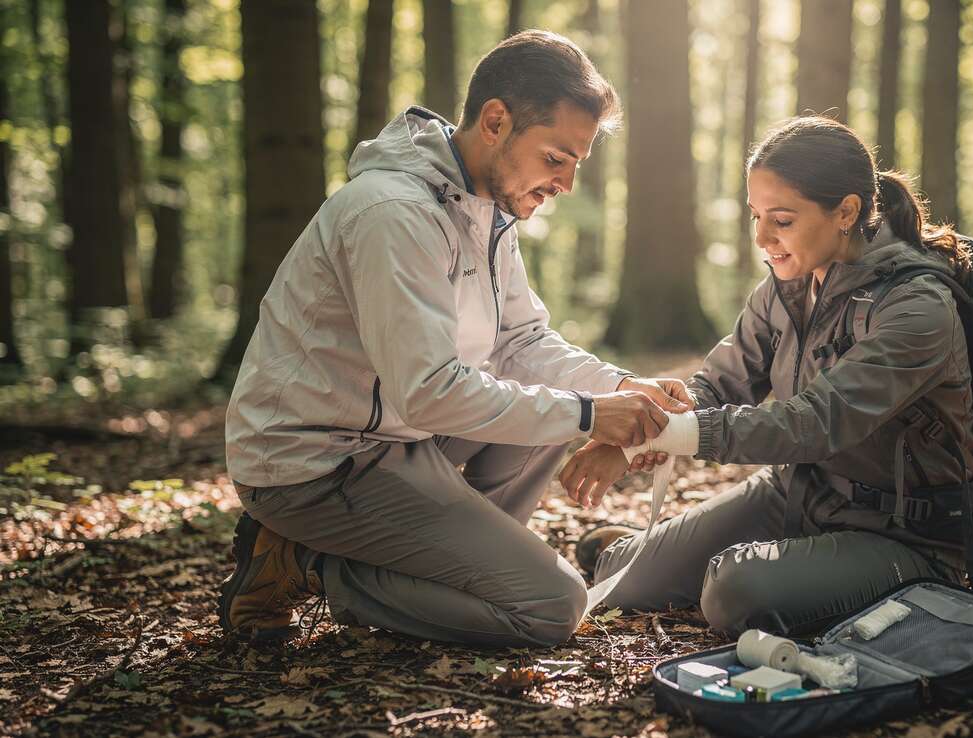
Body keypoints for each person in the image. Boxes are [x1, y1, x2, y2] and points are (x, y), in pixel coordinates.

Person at [218, 30, 688, 648]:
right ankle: (304, 563)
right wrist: (591, 415)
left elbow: (522, 342)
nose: (567, 184)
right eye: (556, 158)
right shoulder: (393, 212)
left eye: (576, 163)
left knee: (553, 413)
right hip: (317, 463)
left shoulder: (485, 207)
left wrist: (624, 388)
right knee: (551, 607)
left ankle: (457, 570)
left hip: (396, 436)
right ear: (495, 122)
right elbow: (428, 391)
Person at [563, 116, 973, 637]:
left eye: (781, 220)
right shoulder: (787, 287)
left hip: (902, 532)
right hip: (799, 493)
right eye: (756, 215)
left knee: (733, 593)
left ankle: (774, 569)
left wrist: (667, 435)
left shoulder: (918, 307)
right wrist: (648, 424)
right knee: (620, 577)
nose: (761, 237)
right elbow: (721, 382)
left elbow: (813, 423)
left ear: (846, 212)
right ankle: (668, 552)